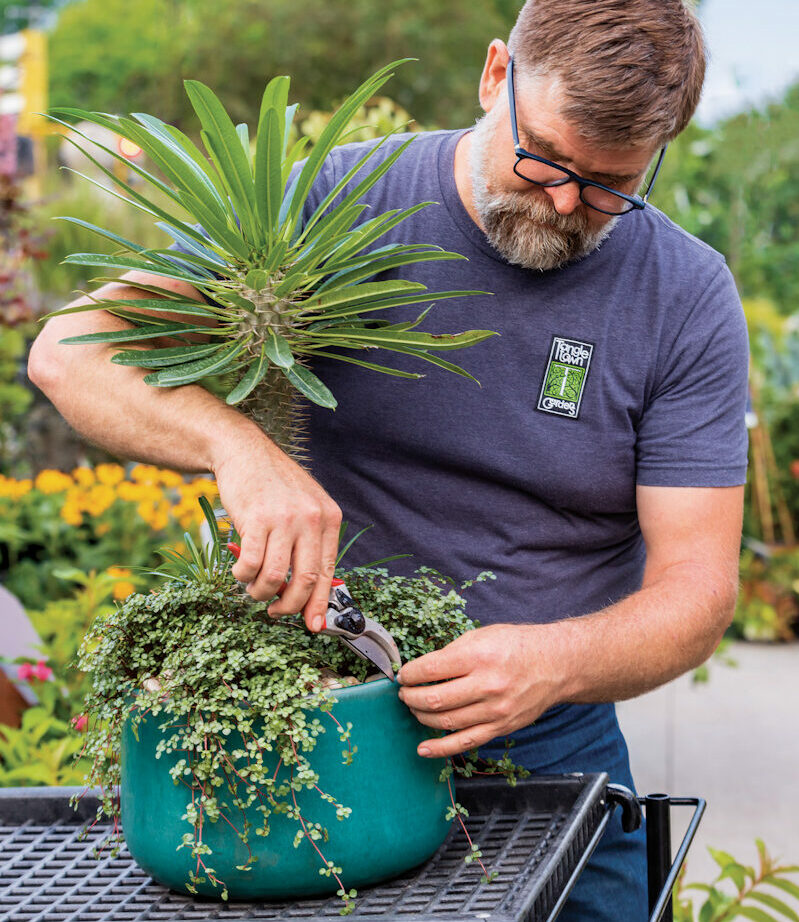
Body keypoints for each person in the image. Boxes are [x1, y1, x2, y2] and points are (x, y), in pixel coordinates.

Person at [29, 1, 748, 918]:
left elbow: (696, 591)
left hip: (550, 728)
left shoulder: (682, 297)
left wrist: (553, 662)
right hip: (330, 718)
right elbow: (72, 349)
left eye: (609, 185)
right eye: (545, 161)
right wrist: (236, 447)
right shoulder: (336, 202)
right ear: (496, 76)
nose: (566, 204)